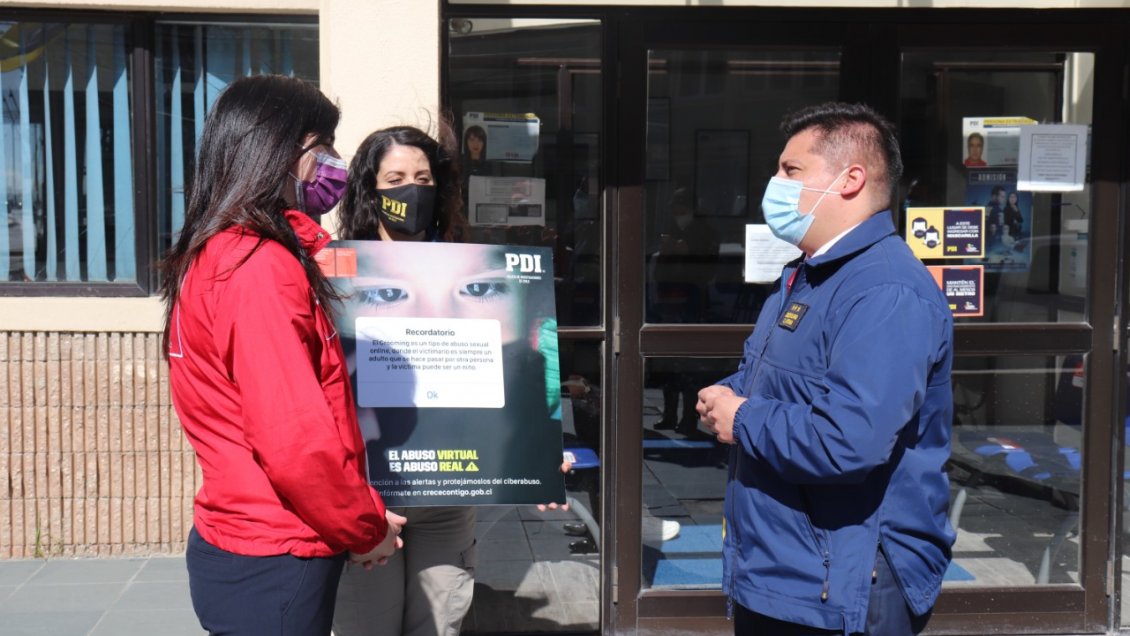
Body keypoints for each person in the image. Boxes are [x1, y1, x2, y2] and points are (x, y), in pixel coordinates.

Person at [696, 102, 954, 635]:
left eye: (791, 171)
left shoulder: (885, 291)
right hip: (783, 571)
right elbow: (769, 379)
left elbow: (849, 441)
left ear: (850, 179)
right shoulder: (807, 276)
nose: (775, 183)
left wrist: (742, 418)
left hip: (845, 584)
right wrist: (725, 395)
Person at [158, 75, 403, 635]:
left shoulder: (221, 253)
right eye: (323, 150)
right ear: (280, 152)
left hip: (249, 542)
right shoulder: (260, 269)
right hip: (278, 553)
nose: (335, 165)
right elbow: (296, 441)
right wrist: (365, 529)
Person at [332, 124, 568, 636]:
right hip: (370, 503)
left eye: (422, 177)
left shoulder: (469, 259)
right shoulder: (334, 272)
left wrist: (539, 454)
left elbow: (516, 383)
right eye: (395, 177)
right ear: (370, 190)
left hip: (447, 504)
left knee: (438, 629)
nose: (411, 189)